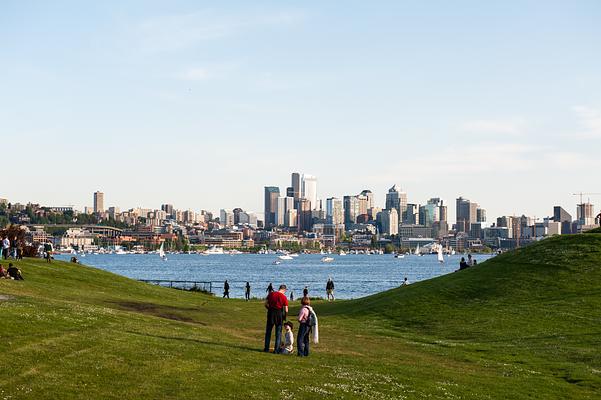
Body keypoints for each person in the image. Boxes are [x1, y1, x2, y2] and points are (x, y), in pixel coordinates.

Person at [264, 284, 288, 353]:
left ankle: (266, 348)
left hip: (271, 313)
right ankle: (276, 350)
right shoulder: (283, 297)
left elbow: (265, 304)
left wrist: (269, 309)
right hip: (279, 314)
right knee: (278, 333)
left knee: (268, 332)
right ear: (284, 290)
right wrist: (284, 316)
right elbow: (286, 309)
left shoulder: (271, 294)